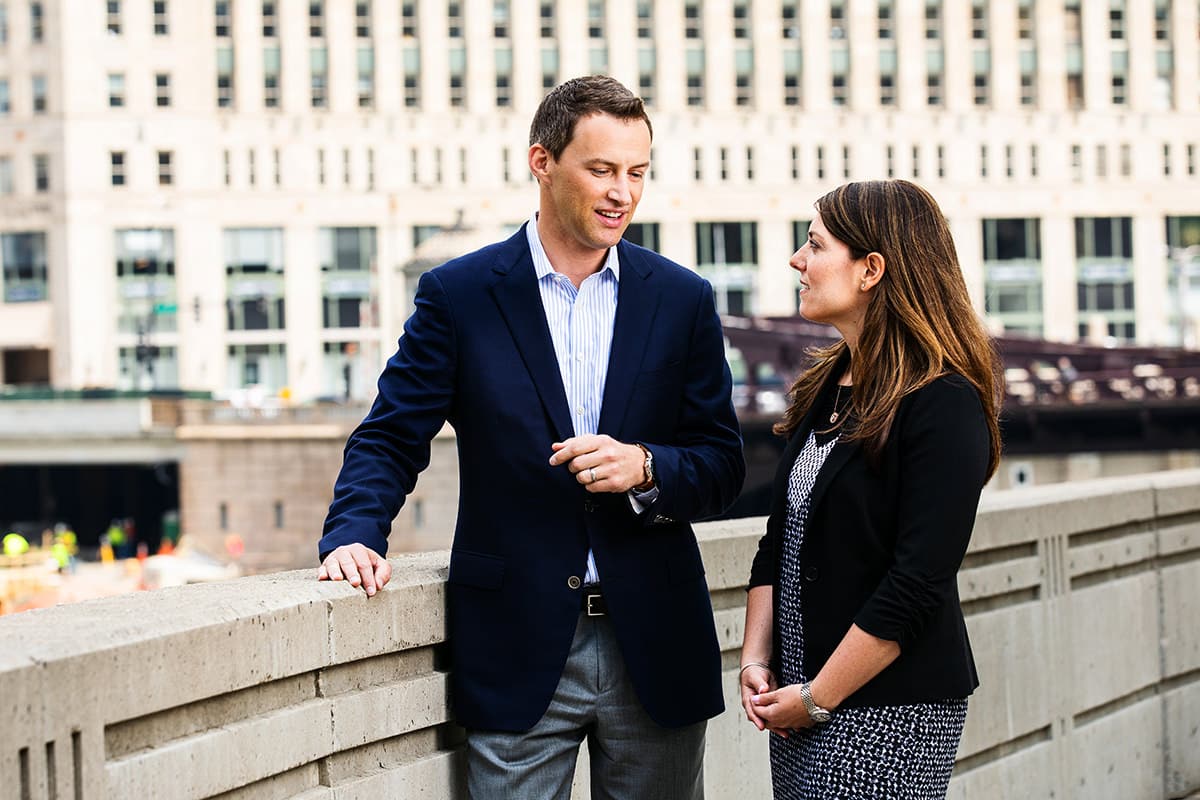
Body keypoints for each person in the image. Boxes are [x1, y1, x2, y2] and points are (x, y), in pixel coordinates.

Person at [317, 76, 745, 800]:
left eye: (637, 172)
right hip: (515, 645)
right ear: (542, 162)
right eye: (602, 169)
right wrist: (353, 534)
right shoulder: (460, 295)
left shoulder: (681, 299)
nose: (623, 193)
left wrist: (645, 466)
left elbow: (722, 464)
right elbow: (391, 435)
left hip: (657, 643)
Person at [738, 180, 1002, 799]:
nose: (797, 262)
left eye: (814, 245)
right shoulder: (827, 387)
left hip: (889, 708)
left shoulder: (943, 402)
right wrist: (755, 659)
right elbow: (780, 539)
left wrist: (818, 700)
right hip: (802, 697)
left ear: (870, 270)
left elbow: (917, 582)